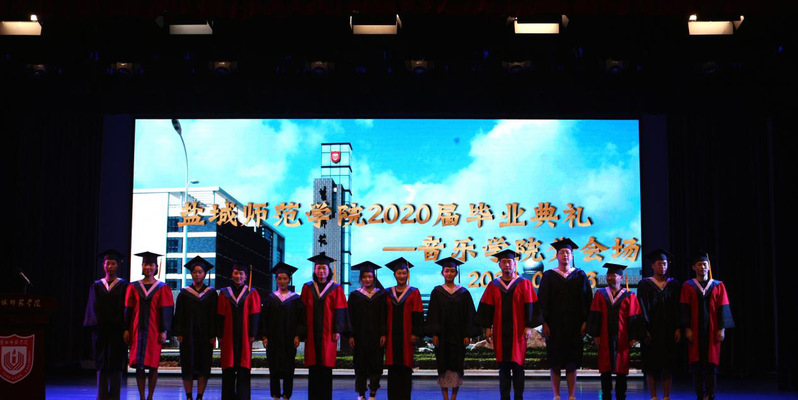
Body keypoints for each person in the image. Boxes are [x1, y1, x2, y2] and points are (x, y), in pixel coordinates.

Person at [475, 249, 539, 400]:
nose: (507, 265)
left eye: (509, 262)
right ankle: (504, 397)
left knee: (518, 367)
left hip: (518, 332)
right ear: (499, 265)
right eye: (503, 262)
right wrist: (487, 328)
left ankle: (518, 397)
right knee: (503, 368)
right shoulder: (493, 285)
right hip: (500, 332)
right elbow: (487, 308)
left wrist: (529, 326)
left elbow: (531, 306)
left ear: (514, 264)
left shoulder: (524, 284)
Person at [537, 238, 593, 400]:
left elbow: (587, 300)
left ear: (572, 255)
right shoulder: (549, 276)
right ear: (556, 256)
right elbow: (542, 301)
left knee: (572, 362)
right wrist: (544, 322)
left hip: (575, 326)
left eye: (568, 252)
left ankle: (571, 394)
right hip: (554, 326)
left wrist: (585, 321)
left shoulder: (580, 275)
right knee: (554, 362)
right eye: (561, 252)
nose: (565, 255)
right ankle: (556, 394)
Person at [587, 263, 645, 400]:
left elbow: (634, 316)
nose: (610, 278)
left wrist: (634, 336)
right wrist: (596, 334)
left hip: (622, 338)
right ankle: (606, 396)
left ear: (621, 277)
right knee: (605, 370)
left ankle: (621, 396)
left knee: (621, 369)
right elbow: (595, 314)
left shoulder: (630, 296)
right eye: (608, 275)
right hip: (604, 337)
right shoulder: (600, 294)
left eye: (613, 275)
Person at [680, 251, 734, 400]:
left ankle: (711, 395)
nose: (702, 267)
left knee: (712, 365)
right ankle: (700, 395)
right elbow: (684, 308)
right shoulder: (688, 286)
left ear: (709, 267)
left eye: (705, 264)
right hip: (695, 330)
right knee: (696, 365)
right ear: (693, 267)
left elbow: (723, 307)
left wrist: (722, 329)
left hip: (713, 330)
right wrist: (687, 328)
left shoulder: (718, 285)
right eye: (699, 265)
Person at [124, 251, 174, 400]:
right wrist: (126, 329)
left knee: (153, 365)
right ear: (142, 266)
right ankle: (141, 397)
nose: (148, 267)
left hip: (154, 330)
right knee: (139, 366)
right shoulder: (133, 287)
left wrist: (164, 330)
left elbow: (166, 310)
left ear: (156, 267)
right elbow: (128, 309)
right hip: (137, 330)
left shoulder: (162, 287)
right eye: (145, 264)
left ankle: (150, 396)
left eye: (151, 265)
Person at [426, 257, 478, 400]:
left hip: (458, 337)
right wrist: (434, 334)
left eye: (452, 271)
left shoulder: (463, 293)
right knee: (442, 366)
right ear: (442, 273)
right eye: (446, 271)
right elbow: (433, 314)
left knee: (457, 366)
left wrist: (467, 334)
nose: (449, 273)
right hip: (442, 337)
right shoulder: (437, 292)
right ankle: (445, 397)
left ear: (456, 273)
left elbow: (469, 315)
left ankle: (453, 397)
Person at [300, 252, 349, 400]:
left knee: (326, 368)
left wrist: (337, 330)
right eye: (319, 268)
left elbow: (340, 309)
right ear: (315, 270)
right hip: (312, 333)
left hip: (328, 334)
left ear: (329, 270)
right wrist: (302, 333)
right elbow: (301, 311)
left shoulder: (336, 288)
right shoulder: (307, 287)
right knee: (313, 368)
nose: (321, 271)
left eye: (324, 268)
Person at [84, 249, 128, 400]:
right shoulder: (97, 285)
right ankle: (101, 395)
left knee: (116, 362)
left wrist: (125, 327)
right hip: (100, 330)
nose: (110, 266)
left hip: (117, 331)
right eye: (107, 263)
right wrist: (96, 326)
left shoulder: (123, 285)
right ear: (103, 265)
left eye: (113, 263)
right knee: (101, 362)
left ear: (118, 265)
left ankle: (115, 396)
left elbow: (126, 308)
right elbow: (92, 307)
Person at [637, 249, 681, 400]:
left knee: (668, 365)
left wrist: (678, 327)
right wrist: (644, 329)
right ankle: (654, 396)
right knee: (651, 365)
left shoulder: (674, 284)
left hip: (669, 329)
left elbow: (678, 308)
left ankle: (666, 396)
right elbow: (641, 308)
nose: (663, 267)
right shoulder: (645, 284)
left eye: (665, 264)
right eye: (659, 264)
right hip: (652, 330)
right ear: (652, 266)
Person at [173, 256, 218, 400]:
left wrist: (213, 334)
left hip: (205, 336)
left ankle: (199, 396)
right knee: (188, 366)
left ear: (204, 274)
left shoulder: (211, 294)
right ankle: (188, 396)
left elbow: (214, 315)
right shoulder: (184, 293)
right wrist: (179, 332)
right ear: (191, 274)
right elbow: (179, 314)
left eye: (200, 272)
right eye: (194, 272)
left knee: (203, 367)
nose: (197, 275)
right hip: (188, 335)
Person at [217, 262, 262, 400]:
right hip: (228, 336)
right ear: (232, 274)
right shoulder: (224, 293)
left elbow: (255, 314)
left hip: (245, 336)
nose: (238, 276)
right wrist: (220, 334)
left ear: (246, 276)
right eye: (236, 273)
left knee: (243, 369)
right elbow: (220, 314)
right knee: (228, 368)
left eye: (241, 273)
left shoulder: (252, 293)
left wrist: (253, 333)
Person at [261, 262, 305, 400]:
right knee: (273, 368)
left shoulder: (296, 299)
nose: (282, 281)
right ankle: (275, 395)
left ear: (289, 280)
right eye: (279, 278)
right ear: (276, 280)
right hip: (273, 339)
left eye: (285, 278)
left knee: (289, 368)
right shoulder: (270, 298)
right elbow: (264, 319)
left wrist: (298, 335)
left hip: (289, 339)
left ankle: (286, 395)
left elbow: (301, 319)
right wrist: (264, 336)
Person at [384, 257, 424, 400]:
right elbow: (383, 315)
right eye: (399, 273)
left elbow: (418, 314)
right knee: (393, 368)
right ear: (394, 275)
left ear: (408, 275)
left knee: (406, 367)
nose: (401, 276)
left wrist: (415, 333)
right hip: (391, 336)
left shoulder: (414, 292)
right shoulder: (387, 293)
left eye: (404, 273)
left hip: (407, 336)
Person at [348, 261, 387, 400]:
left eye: (370, 276)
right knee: (360, 366)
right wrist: (351, 335)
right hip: (360, 337)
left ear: (373, 278)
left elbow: (384, 316)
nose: (367, 279)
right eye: (364, 277)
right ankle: (361, 394)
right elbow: (350, 317)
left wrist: (383, 333)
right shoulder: (354, 296)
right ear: (360, 279)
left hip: (376, 337)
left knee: (376, 365)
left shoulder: (381, 295)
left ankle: (373, 394)